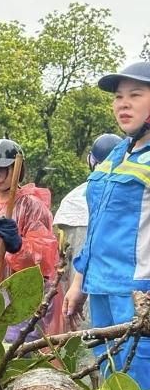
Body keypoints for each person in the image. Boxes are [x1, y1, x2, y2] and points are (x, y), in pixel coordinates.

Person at [65, 62, 150, 389]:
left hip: (138, 291)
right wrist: (78, 283)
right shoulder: (116, 153)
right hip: (100, 287)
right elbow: (96, 226)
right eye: (118, 96)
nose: (123, 103)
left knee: (139, 387)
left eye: (135, 94)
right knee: (112, 383)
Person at [0, 139, 58, 340]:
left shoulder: (32, 205)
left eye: (1, 168)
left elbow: (45, 256)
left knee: (17, 351)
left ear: (17, 169)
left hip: (22, 294)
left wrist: (18, 245)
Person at [52, 134, 124, 332]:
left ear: (91, 161)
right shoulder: (128, 192)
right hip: (117, 285)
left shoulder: (71, 199)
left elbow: (60, 256)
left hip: (77, 287)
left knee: (85, 343)